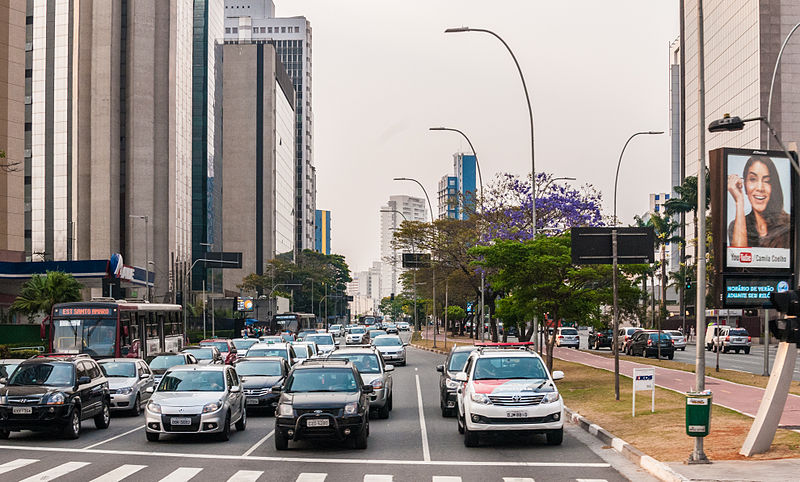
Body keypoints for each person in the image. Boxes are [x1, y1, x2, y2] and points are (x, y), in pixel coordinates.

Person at [728, 155, 790, 249]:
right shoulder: (736, 226)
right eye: (753, 179)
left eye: (767, 181)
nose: (760, 188)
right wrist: (739, 201)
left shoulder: (788, 226)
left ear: (773, 187)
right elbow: (738, 257)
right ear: (745, 185)